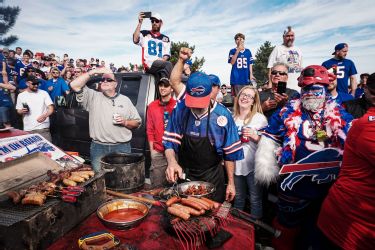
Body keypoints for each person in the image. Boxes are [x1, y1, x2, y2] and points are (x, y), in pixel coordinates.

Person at [255, 65, 352, 250]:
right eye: (307, 89)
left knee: (321, 228)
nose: (312, 94)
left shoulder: (339, 112)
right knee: (286, 227)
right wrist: (268, 168)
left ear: (325, 89)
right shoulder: (286, 111)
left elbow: (351, 140)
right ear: (300, 88)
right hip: (294, 187)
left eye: (317, 89)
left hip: (328, 186)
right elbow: (269, 137)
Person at [163, 70, 244, 202]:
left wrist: (231, 183)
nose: (196, 106)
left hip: (212, 176)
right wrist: (172, 162)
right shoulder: (181, 110)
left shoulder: (223, 115)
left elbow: (229, 153)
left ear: (210, 93)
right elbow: (170, 142)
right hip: (185, 174)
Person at [317, 72, 375, 250]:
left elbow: (341, 128)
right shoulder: (357, 113)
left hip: (340, 172)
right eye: (308, 89)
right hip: (347, 216)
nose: (312, 93)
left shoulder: (341, 103)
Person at [70, 67, 141, 172]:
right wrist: (94, 72)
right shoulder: (93, 96)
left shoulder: (125, 100)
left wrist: (125, 122)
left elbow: (137, 123)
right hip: (99, 147)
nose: (105, 81)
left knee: (121, 178)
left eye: (109, 80)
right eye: (102, 80)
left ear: (115, 84)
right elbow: (74, 85)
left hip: (121, 147)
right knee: (99, 179)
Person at [233, 86, 267, 218]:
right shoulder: (232, 117)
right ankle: (237, 228)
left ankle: (255, 230)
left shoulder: (260, 118)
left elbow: (268, 146)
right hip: (236, 165)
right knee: (239, 198)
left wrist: (255, 136)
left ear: (254, 101)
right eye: (243, 94)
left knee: (255, 199)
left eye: (249, 96)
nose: (245, 98)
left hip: (253, 165)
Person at [146, 77, 176, 188]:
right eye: (160, 85)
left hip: (174, 152)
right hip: (158, 152)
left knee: (173, 186)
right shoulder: (152, 106)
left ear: (172, 88)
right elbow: (149, 129)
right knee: (157, 186)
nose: (162, 88)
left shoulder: (177, 106)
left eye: (166, 85)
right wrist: (152, 151)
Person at [133, 12, 172, 80]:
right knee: (168, 65)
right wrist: (140, 23)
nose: (154, 23)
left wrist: (162, 60)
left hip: (161, 66)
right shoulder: (145, 33)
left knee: (168, 68)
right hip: (149, 66)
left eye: (156, 21)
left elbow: (167, 54)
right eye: (152, 21)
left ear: (161, 23)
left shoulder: (166, 38)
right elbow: (135, 40)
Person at [15, 76, 54, 141]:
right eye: (34, 84)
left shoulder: (44, 93)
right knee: (32, 151)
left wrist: (45, 116)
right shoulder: (21, 95)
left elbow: (51, 108)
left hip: (43, 128)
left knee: (47, 150)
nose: (36, 85)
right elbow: (18, 110)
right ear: (27, 83)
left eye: (37, 83)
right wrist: (22, 111)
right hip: (28, 129)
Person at [267, 26, 303, 91]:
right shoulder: (278, 49)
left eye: (292, 35)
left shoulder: (298, 50)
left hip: (297, 84)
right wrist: (270, 84)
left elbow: (300, 68)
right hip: (282, 84)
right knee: (282, 99)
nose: (290, 38)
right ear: (283, 37)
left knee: (295, 100)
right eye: (288, 36)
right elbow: (270, 68)